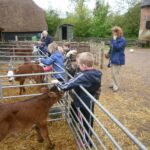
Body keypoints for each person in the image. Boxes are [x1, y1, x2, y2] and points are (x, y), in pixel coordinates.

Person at [56, 52, 102, 148]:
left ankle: (84, 143)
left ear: (84, 65)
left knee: (83, 123)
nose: (77, 65)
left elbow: (66, 86)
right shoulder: (96, 74)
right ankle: (88, 141)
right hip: (90, 101)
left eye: (78, 64)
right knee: (89, 122)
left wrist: (57, 83)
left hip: (81, 103)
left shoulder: (82, 75)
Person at [108, 26, 126, 92]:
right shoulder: (114, 39)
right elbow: (111, 47)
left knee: (115, 73)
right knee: (113, 73)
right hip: (113, 58)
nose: (112, 34)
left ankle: (116, 86)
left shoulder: (122, 40)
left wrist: (114, 40)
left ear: (118, 33)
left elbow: (117, 48)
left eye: (114, 33)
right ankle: (113, 84)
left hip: (118, 58)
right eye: (112, 33)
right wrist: (108, 53)